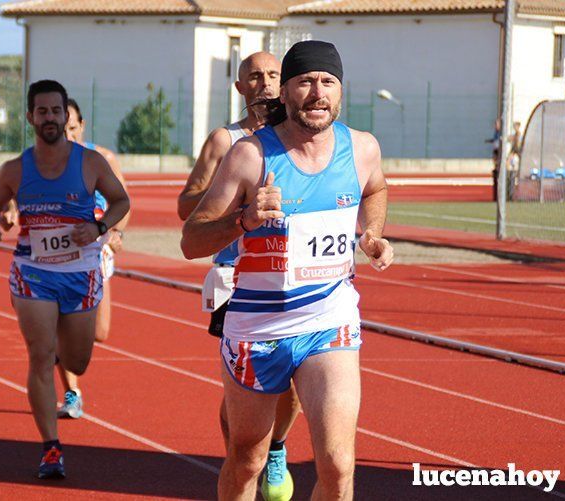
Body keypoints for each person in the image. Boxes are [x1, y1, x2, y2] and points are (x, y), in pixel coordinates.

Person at [181, 41, 394, 500]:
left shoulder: (362, 149)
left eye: (328, 82)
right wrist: (245, 219)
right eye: (305, 81)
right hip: (259, 329)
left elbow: (375, 189)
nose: (318, 93)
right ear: (288, 92)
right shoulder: (251, 157)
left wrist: (370, 234)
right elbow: (191, 240)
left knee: (338, 464)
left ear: (340, 92)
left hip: (329, 322)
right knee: (247, 461)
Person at [0, 79, 129, 479]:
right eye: (41, 111)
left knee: (77, 357)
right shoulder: (15, 169)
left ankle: (65, 358)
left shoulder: (90, 163)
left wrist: (99, 231)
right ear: (30, 116)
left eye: (56, 111)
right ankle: (51, 448)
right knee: (40, 355)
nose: (49, 118)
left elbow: (121, 201)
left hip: (81, 272)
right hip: (34, 273)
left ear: (67, 116)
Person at [177, 51, 300, 501]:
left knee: (293, 381)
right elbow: (185, 206)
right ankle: (243, 457)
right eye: (255, 76)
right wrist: (229, 193)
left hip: (290, 272)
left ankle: (279, 445)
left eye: (273, 75)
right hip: (234, 275)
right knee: (242, 379)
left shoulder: (298, 136)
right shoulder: (223, 141)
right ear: (240, 88)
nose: (265, 84)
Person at [55, 98, 130, 419]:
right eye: (61, 130)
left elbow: (122, 204)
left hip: (97, 253)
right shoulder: (43, 164)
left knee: (99, 332)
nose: (67, 136)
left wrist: (117, 234)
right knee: (61, 321)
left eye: (72, 129)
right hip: (58, 255)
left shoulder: (102, 158)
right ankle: (72, 392)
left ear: (82, 126)